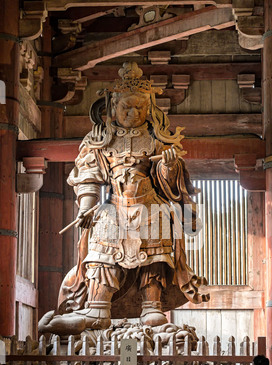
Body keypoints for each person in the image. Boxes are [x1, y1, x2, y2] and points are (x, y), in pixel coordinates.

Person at [38, 61, 209, 338]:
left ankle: (151, 304)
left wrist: (167, 165)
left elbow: (170, 181)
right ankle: (97, 306)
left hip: (149, 204)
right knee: (102, 241)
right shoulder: (99, 140)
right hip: (114, 207)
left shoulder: (158, 138)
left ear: (150, 108)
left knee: (157, 230)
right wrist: (86, 207)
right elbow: (89, 175)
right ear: (112, 107)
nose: (133, 113)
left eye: (140, 108)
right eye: (126, 107)